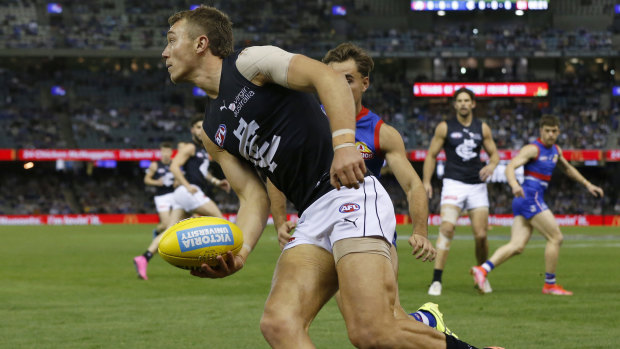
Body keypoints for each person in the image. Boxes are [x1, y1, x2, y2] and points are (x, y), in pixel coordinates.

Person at [161, 6, 500, 349]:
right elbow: (252, 195)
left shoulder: (251, 63)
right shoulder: (210, 131)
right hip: (311, 214)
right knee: (279, 323)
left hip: (349, 193)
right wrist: (242, 251)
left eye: (172, 40)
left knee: (371, 332)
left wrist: (343, 144)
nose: (164, 52)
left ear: (201, 43)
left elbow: (330, 78)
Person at [267, 42, 456, 335]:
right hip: (319, 226)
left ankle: (428, 324)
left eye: (349, 80)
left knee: (376, 324)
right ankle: (427, 321)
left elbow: (413, 184)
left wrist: (420, 231)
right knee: (370, 325)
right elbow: (275, 170)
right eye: (332, 79)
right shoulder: (308, 123)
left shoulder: (381, 132)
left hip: (365, 226)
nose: (340, 87)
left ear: (365, 83)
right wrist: (280, 220)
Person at [471, 115, 603, 295]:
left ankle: (482, 269)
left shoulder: (556, 150)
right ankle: (550, 285)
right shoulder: (533, 149)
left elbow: (567, 168)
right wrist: (514, 185)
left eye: (554, 131)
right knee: (556, 238)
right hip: (529, 198)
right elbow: (510, 166)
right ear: (541, 131)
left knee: (517, 245)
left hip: (526, 200)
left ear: (558, 131)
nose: (550, 134)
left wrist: (588, 184)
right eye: (547, 131)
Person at [133, 116, 230, 280]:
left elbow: (203, 172)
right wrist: (186, 185)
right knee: (221, 221)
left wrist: (216, 182)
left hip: (183, 196)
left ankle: (144, 257)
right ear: (192, 130)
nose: (201, 130)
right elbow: (173, 166)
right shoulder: (190, 147)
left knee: (169, 230)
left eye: (203, 126)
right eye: (198, 127)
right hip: (188, 192)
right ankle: (219, 261)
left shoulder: (203, 149)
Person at [423, 88, 499, 296]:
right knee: (447, 228)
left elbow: (494, 155)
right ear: (455, 105)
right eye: (460, 101)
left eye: (467, 100)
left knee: (481, 235)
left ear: (473, 104)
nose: (463, 104)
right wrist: (427, 181)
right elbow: (431, 155)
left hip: (476, 185)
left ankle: (482, 275)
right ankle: (436, 280)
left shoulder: (482, 128)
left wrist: (492, 166)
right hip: (453, 183)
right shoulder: (444, 127)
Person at [143, 142, 176, 238]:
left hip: (175, 195)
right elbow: (146, 179)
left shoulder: (175, 163)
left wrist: (178, 182)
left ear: (171, 152)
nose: (166, 153)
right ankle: (157, 231)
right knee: (166, 223)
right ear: (160, 152)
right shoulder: (155, 165)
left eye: (168, 151)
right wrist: (156, 182)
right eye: (164, 151)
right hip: (161, 196)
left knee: (176, 221)